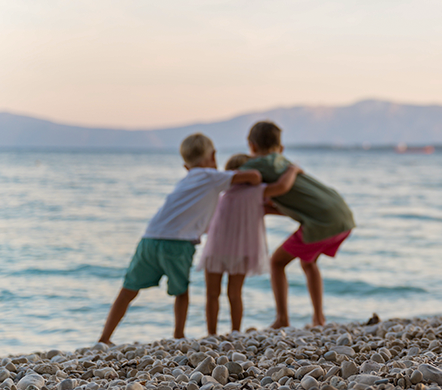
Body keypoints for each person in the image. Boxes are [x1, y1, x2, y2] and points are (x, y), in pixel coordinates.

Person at [98, 134, 262, 344]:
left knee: (128, 290)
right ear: (213, 156)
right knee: (181, 291)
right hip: (178, 243)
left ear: (185, 166)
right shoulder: (212, 176)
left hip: (149, 238)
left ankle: (104, 338)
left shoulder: (187, 179)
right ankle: (178, 335)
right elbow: (254, 177)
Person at [240, 121, 356, 329]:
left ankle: (282, 319)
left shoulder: (254, 166)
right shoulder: (283, 163)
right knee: (308, 262)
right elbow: (296, 204)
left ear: (252, 146)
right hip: (343, 217)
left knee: (276, 262)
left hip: (322, 223)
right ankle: (319, 318)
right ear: (281, 148)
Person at [197, 153, 302, 335]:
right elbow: (282, 187)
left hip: (216, 249)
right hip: (242, 251)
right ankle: (235, 331)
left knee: (212, 294)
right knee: (235, 294)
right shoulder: (257, 192)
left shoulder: (221, 194)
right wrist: (293, 170)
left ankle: (211, 334)